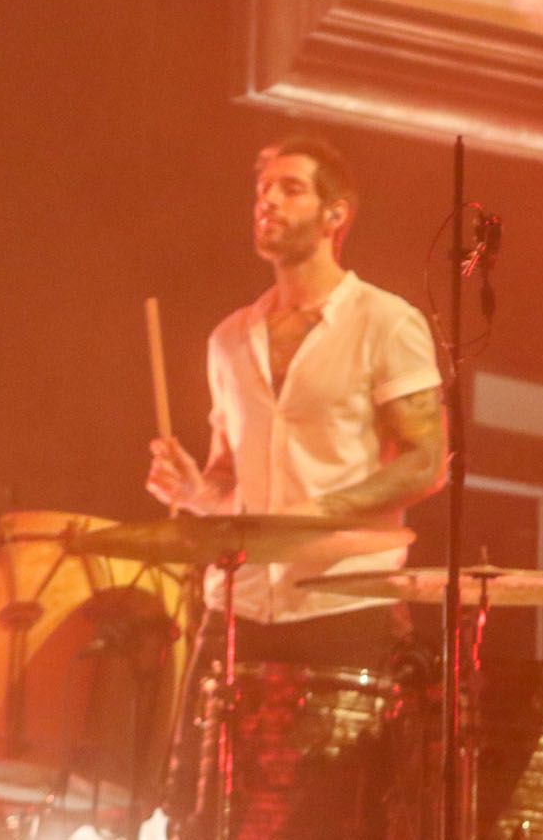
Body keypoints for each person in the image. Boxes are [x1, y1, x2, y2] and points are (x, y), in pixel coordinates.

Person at [145, 134, 446, 824]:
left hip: (342, 608)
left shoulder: (385, 322)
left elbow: (426, 460)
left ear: (336, 214)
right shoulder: (229, 338)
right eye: (262, 191)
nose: (268, 203)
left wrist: (321, 511)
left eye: (290, 188)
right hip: (240, 611)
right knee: (205, 812)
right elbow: (231, 480)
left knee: (333, 816)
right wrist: (194, 489)